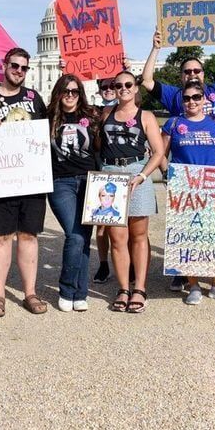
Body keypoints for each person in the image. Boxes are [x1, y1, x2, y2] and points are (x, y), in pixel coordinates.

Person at [141, 22, 215, 292]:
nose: (193, 74)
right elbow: (146, 81)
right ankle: (184, 272)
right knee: (186, 225)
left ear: (204, 74)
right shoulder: (175, 96)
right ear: (181, 76)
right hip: (186, 173)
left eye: (197, 70)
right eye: (187, 71)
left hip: (214, 169)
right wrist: (156, 48)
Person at [0, 47, 49, 318]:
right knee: (1, 236)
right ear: (4, 66)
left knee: (29, 235)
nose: (19, 71)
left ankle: (30, 292)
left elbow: (45, 133)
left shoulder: (34, 98)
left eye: (24, 67)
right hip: (1, 180)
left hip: (31, 178)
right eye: (15, 66)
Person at [161, 81, 215, 305]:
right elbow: (161, 154)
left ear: (204, 99)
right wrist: (169, 176)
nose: (191, 102)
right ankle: (193, 284)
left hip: (213, 188)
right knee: (188, 237)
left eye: (196, 97)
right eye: (186, 98)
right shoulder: (174, 123)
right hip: (185, 190)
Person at [99, 70, 165, 313]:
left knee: (138, 235)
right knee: (117, 238)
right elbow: (97, 145)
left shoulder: (146, 116)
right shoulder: (106, 113)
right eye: (118, 85)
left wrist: (143, 175)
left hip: (137, 172)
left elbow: (158, 151)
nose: (123, 89)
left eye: (128, 84)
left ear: (136, 88)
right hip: (110, 173)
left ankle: (140, 287)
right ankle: (123, 288)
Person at [47, 73, 101, 312]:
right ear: (58, 93)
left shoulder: (92, 116)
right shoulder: (47, 119)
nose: (70, 95)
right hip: (61, 183)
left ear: (80, 94)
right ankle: (67, 289)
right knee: (75, 236)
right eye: (66, 91)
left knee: (84, 238)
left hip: (90, 181)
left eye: (75, 91)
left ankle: (80, 293)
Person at [92, 77, 118, 284]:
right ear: (99, 89)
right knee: (101, 223)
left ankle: (130, 264)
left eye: (113, 86)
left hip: (123, 167)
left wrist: (126, 68)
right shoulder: (94, 112)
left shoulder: (129, 107)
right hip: (101, 166)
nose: (108, 89)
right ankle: (103, 264)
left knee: (127, 222)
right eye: (104, 87)